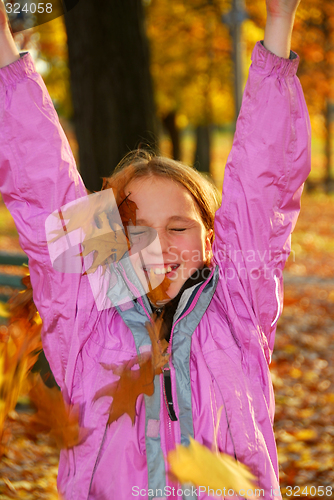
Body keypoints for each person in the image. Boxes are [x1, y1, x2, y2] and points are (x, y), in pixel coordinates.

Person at [0, 0, 310, 499]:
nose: (160, 245)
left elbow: (262, 183)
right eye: (137, 229)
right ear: (109, 244)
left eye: (179, 228)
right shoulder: (87, 314)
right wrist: (4, 46)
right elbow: (43, 186)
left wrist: (278, 21)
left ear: (213, 241)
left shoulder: (237, 311)